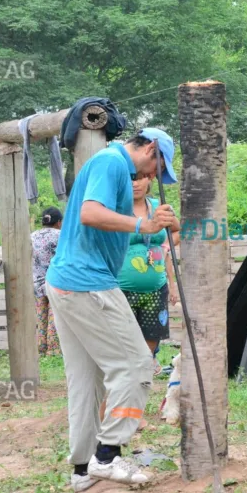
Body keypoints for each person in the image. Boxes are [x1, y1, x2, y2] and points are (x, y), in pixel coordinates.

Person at [45, 127, 178, 491]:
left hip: (66, 280)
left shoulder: (111, 164)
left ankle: (82, 469)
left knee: (86, 380)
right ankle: (107, 456)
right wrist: (143, 224)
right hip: (88, 281)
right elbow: (90, 213)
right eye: (158, 167)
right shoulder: (112, 163)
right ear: (150, 149)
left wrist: (156, 223)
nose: (152, 176)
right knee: (137, 364)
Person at [98, 176, 181, 427]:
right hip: (119, 291)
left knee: (145, 357)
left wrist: (165, 247)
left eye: (140, 178)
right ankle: (107, 412)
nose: (135, 183)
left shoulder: (160, 208)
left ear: (150, 179)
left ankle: (134, 414)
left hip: (155, 292)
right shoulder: (114, 210)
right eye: (130, 178)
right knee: (121, 356)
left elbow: (177, 230)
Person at [31, 207, 63, 357]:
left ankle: (40, 347)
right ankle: (53, 349)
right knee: (54, 313)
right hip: (55, 281)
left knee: (41, 314)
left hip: (36, 282)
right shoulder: (60, 235)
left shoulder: (32, 236)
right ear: (59, 222)